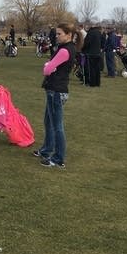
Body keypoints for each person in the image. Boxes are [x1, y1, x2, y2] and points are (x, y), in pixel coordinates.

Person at [33, 22, 82, 169]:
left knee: (57, 126)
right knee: (48, 122)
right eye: (57, 33)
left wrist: (48, 66)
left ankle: (58, 158)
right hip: (54, 90)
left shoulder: (65, 50)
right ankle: (46, 150)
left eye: (60, 33)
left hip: (56, 91)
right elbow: (50, 66)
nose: (57, 36)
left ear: (69, 35)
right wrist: (49, 66)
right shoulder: (65, 48)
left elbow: (47, 70)